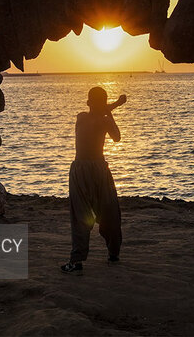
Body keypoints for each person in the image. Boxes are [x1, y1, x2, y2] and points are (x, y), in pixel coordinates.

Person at [61, 87, 126, 275]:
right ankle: (109, 254)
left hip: (85, 169)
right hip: (92, 168)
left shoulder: (89, 117)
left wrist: (111, 108)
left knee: (96, 212)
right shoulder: (94, 119)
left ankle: (82, 259)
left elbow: (113, 133)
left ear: (88, 103)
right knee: (106, 211)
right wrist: (112, 109)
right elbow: (115, 135)